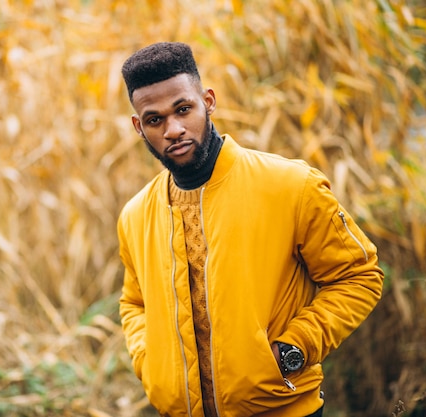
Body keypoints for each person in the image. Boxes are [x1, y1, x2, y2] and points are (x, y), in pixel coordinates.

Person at [116, 42, 384, 417]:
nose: (173, 129)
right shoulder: (135, 215)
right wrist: (151, 365)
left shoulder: (290, 185)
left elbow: (359, 276)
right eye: (154, 119)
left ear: (207, 100)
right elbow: (134, 303)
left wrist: (294, 349)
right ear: (138, 127)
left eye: (183, 109)